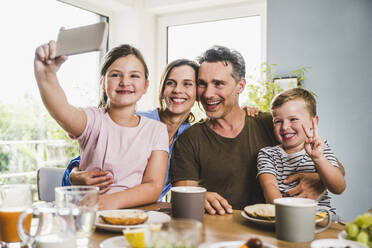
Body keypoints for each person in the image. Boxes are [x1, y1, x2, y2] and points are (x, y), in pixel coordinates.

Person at [170, 45, 340, 215]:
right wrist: (200, 197)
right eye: (202, 84)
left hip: (271, 230)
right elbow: (182, 195)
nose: (207, 94)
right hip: (219, 234)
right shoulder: (190, 139)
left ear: (240, 85)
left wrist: (319, 180)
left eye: (218, 84)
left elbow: (335, 167)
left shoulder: (271, 124)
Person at [34, 42, 169, 210]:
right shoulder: (93, 120)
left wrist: (109, 201)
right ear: (102, 83)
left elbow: (153, 187)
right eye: (115, 75)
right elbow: (62, 111)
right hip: (89, 213)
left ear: (146, 86)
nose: (125, 82)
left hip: (134, 217)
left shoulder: (156, 130)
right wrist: (46, 77)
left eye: (134, 76)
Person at [63, 59, 200, 200]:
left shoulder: (190, 136)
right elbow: (85, 162)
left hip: (148, 212)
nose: (177, 90)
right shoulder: (136, 120)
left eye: (187, 84)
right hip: (105, 205)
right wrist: (75, 175)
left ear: (198, 92)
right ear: (162, 88)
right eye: (170, 83)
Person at [257, 88, 346, 213]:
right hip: (283, 217)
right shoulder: (267, 154)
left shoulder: (320, 148)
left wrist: (319, 159)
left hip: (321, 220)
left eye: (293, 119)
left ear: (313, 122)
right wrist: (287, 216)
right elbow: (269, 188)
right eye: (278, 121)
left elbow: (339, 188)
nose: (285, 127)